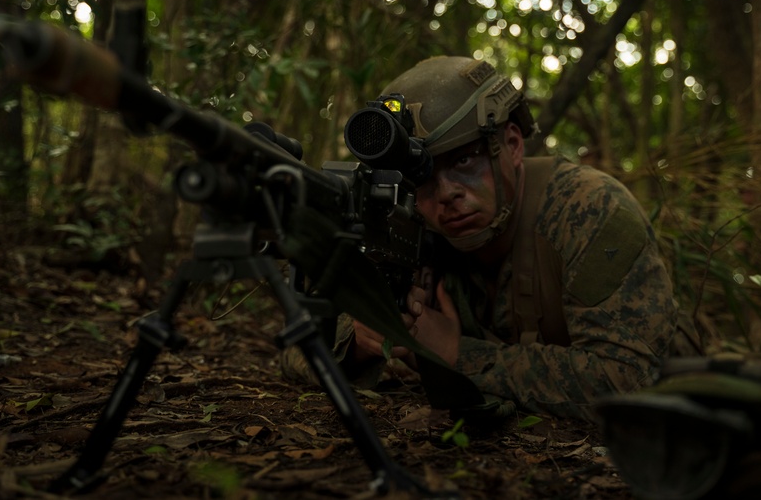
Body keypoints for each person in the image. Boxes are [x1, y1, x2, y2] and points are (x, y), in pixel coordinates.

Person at [282, 56, 704, 422]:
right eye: (422, 177)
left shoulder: (588, 209)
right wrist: (360, 342)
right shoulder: (408, 231)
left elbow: (628, 381)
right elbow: (296, 348)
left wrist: (456, 354)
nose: (446, 193)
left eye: (464, 160)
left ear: (513, 146)